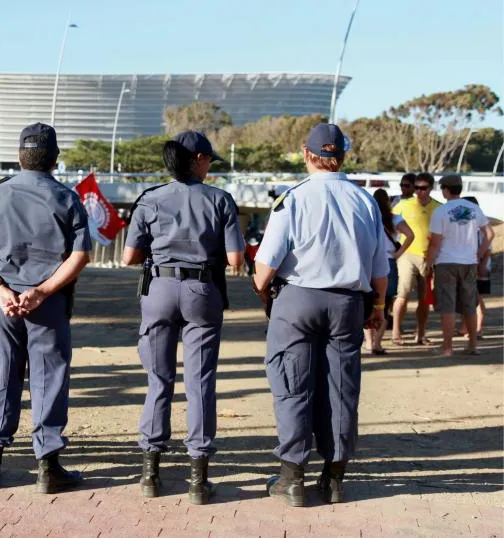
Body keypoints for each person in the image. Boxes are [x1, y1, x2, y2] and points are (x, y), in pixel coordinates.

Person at [252, 123, 388, 507]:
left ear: (306, 153)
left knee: (293, 386)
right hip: (348, 303)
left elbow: (264, 269)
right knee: (342, 389)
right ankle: (334, 478)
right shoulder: (365, 201)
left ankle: (292, 477)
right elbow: (381, 267)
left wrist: (265, 296)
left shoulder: (292, 198)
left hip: (298, 299)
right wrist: (377, 308)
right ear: (342, 155)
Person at [0, 123, 91, 493]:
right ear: (54, 159)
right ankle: (48, 465)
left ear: (20, 156)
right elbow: (81, 255)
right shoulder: (68, 199)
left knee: (2, 375)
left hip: (3, 301)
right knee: (48, 378)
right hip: (48, 302)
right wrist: (43, 291)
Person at [122, 131, 243, 505]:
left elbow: (129, 258)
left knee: (158, 379)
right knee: (200, 382)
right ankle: (197, 477)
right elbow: (236, 261)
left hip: (158, 289)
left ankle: (150, 472)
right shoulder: (220, 200)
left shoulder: (149, 198)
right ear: (199, 160)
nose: (210, 167)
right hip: (201, 291)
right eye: (209, 160)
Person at [425, 176, 494, 356]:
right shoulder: (474, 209)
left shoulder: (440, 211)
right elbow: (490, 234)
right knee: (469, 305)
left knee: (448, 306)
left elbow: (435, 243)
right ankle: (472, 345)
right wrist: (478, 254)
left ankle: (447, 348)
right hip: (469, 262)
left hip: (446, 263)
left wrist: (428, 263)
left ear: (446, 190)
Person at [391, 172, 441, 345]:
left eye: (423, 188)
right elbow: (388, 222)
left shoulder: (438, 208)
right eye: (417, 188)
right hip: (407, 255)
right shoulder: (403, 205)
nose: (419, 192)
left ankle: (420, 334)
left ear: (431, 188)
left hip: (428, 257)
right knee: (402, 294)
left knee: (424, 299)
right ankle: (396, 332)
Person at [363, 189, 414, 354]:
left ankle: (369, 342)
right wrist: (398, 253)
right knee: (383, 305)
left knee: (367, 303)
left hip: (369, 262)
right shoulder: (395, 219)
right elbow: (410, 235)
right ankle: (377, 343)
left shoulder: (367, 218)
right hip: (388, 263)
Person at [457, 196, 492, 339]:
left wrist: (482, 265)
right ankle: (464, 327)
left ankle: (478, 329)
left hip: (478, 266)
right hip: (468, 264)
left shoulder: (481, 225)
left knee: (476, 299)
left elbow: (488, 248)